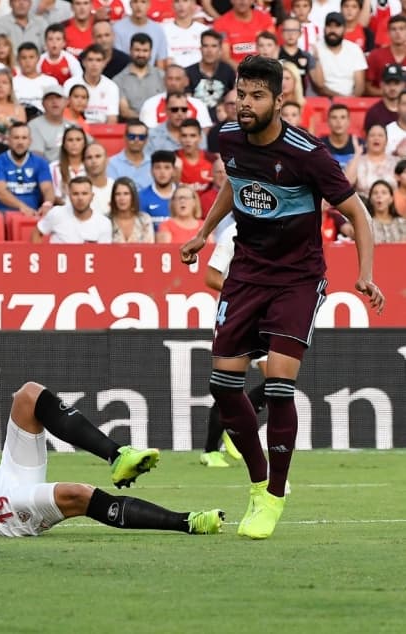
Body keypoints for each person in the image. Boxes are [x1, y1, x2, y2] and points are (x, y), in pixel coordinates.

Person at [180, 56, 384, 540]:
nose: (244, 104)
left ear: (277, 99)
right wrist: (203, 233)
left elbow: (358, 215)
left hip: (297, 279)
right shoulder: (229, 138)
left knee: (276, 385)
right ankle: (256, 485)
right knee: (223, 386)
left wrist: (365, 274)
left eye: (255, 96)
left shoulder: (308, 154)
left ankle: (274, 493)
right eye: (240, 94)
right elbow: (234, 184)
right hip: (247, 275)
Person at [0, 360, 224, 537]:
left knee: (28, 395)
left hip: (2, 481)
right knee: (78, 494)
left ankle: (117, 455)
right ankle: (188, 522)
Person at [200, 222, 268, 468]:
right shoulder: (234, 233)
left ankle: (234, 426)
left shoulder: (278, 230)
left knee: (278, 381)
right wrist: (246, 293)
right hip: (235, 316)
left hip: (265, 316)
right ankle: (209, 451)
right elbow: (211, 276)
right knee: (228, 385)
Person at [0, 122, 54, 215]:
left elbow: (47, 188)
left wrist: (47, 204)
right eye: (16, 138)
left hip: (33, 216)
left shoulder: (41, 162)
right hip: (3, 217)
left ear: (30, 141)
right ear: (8, 140)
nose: (20, 142)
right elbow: (0, 192)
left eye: (24, 138)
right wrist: (22, 207)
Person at [33, 176, 113, 244]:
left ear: (92, 196)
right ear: (69, 196)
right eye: (75, 194)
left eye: (84, 193)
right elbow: (37, 233)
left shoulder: (104, 223)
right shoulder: (56, 213)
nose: (80, 198)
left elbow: (103, 254)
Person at [109, 177, 155, 243]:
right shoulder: (106, 221)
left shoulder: (144, 220)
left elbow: (150, 248)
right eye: (118, 194)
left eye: (126, 194)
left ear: (133, 196)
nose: (122, 198)